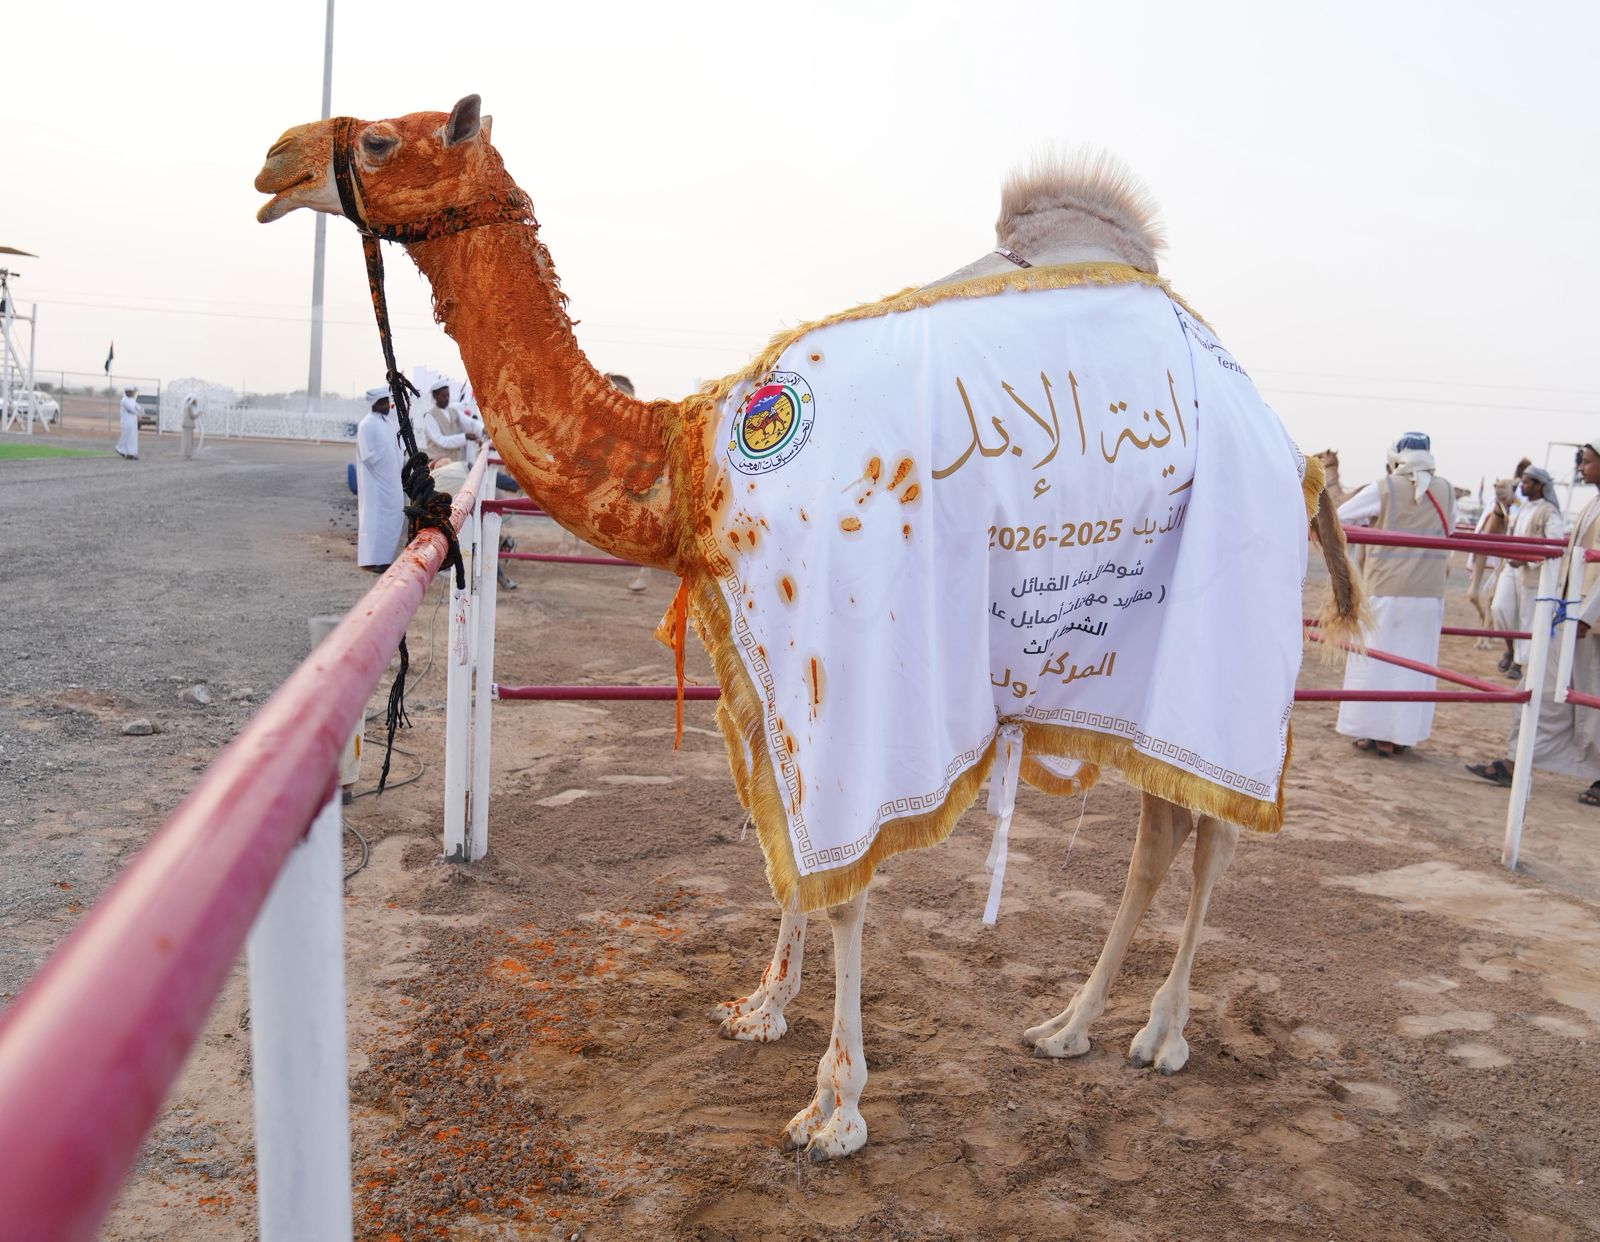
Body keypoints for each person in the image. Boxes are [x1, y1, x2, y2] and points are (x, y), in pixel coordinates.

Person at [1468, 440, 1600, 804]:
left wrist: (1586, 616)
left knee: (1589, 697)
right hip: (1569, 613)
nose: (1582, 468)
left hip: (1588, 622)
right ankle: (1517, 760)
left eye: (1588, 462)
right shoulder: (1593, 502)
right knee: (1540, 688)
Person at [1334, 432, 1456, 756]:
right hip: (1429, 595)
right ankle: (1400, 735)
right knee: (1414, 666)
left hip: (1387, 589)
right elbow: (1452, 530)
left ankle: (1369, 732)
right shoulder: (1445, 490)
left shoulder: (1384, 487)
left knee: (1376, 662)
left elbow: (1341, 516)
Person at [1493, 465, 1565, 680]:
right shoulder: (1522, 508)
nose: (1521, 486)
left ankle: (1519, 663)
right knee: (1500, 608)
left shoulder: (1549, 512)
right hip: (1510, 567)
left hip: (1532, 572)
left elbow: (1554, 546)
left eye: (1526, 482)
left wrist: (1525, 558)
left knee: (1527, 618)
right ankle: (1510, 648)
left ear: (1539, 485)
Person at [356, 386, 406, 572]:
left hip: (392, 480)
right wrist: (384, 472)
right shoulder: (366, 424)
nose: (387, 405)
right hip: (376, 484)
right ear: (374, 404)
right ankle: (372, 560)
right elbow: (368, 456)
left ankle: (386, 559)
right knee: (375, 520)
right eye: (383, 402)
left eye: (388, 401)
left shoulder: (388, 422)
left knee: (394, 516)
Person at [419, 379, 482, 466]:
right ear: (435, 396)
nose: (447, 399)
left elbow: (470, 424)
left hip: (455, 463)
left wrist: (483, 430)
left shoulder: (453, 411)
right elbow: (441, 441)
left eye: (448, 396)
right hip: (438, 465)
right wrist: (464, 437)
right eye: (443, 396)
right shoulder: (430, 416)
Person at [115, 385, 140, 459]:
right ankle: (120, 449)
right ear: (126, 392)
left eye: (131, 392)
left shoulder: (132, 400)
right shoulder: (124, 400)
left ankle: (130, 454)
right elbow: (131, 409)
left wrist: (137, 410)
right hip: (126, 421)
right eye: (129, 392)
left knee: (132, 438)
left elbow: (138, 408)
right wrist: (137, 411)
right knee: (126, 436)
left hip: (133, 421)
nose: (131, 393)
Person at [180, 393, 202, 460]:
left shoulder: (186, 406)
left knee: (185, 440)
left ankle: (185, 453)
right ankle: (187, 454)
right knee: (188, 440)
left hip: (186, 425)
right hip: (188, 425)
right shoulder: (189, 407)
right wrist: (198, 414)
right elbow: (192, 416)